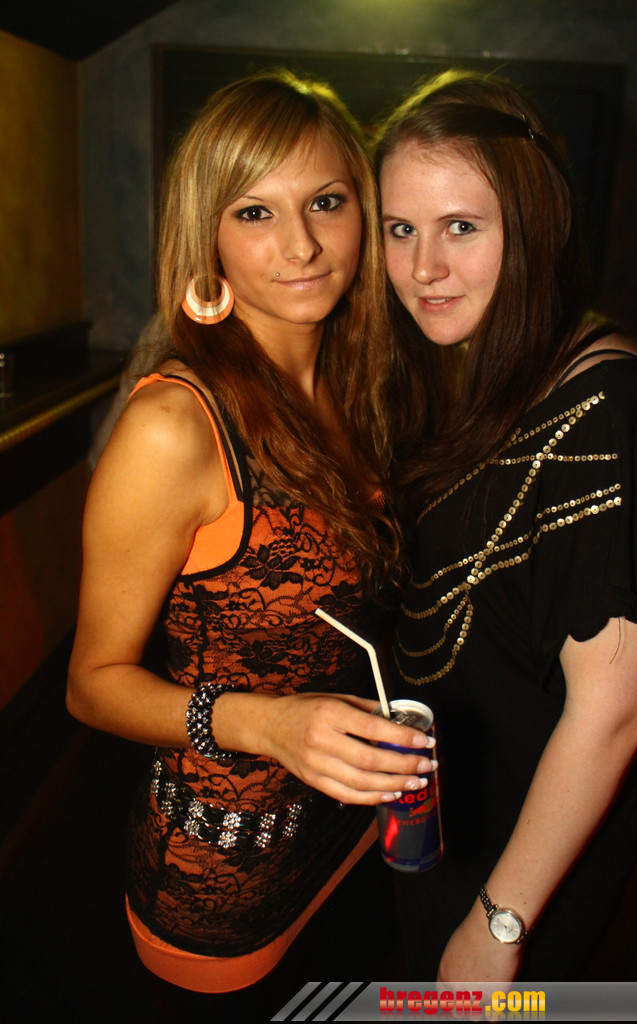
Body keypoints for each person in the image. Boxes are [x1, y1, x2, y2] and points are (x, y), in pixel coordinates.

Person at [67, 71, 437, 997]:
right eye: (254, 212)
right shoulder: (175, 428)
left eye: (326, 202)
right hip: (225, 878)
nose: (301, 244)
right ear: (209, 238)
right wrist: (265, 724)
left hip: (353, 833)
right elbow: (91, 686)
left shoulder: (367, 390)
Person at [375, 70, 637, 981]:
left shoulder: (609, 410)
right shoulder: (473, 365)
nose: (422, 268)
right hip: (443, 817)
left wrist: (498, 923)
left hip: (528, 865)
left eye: (461, 227)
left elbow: (612, 712)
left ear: (534, 224)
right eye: (400, 229)